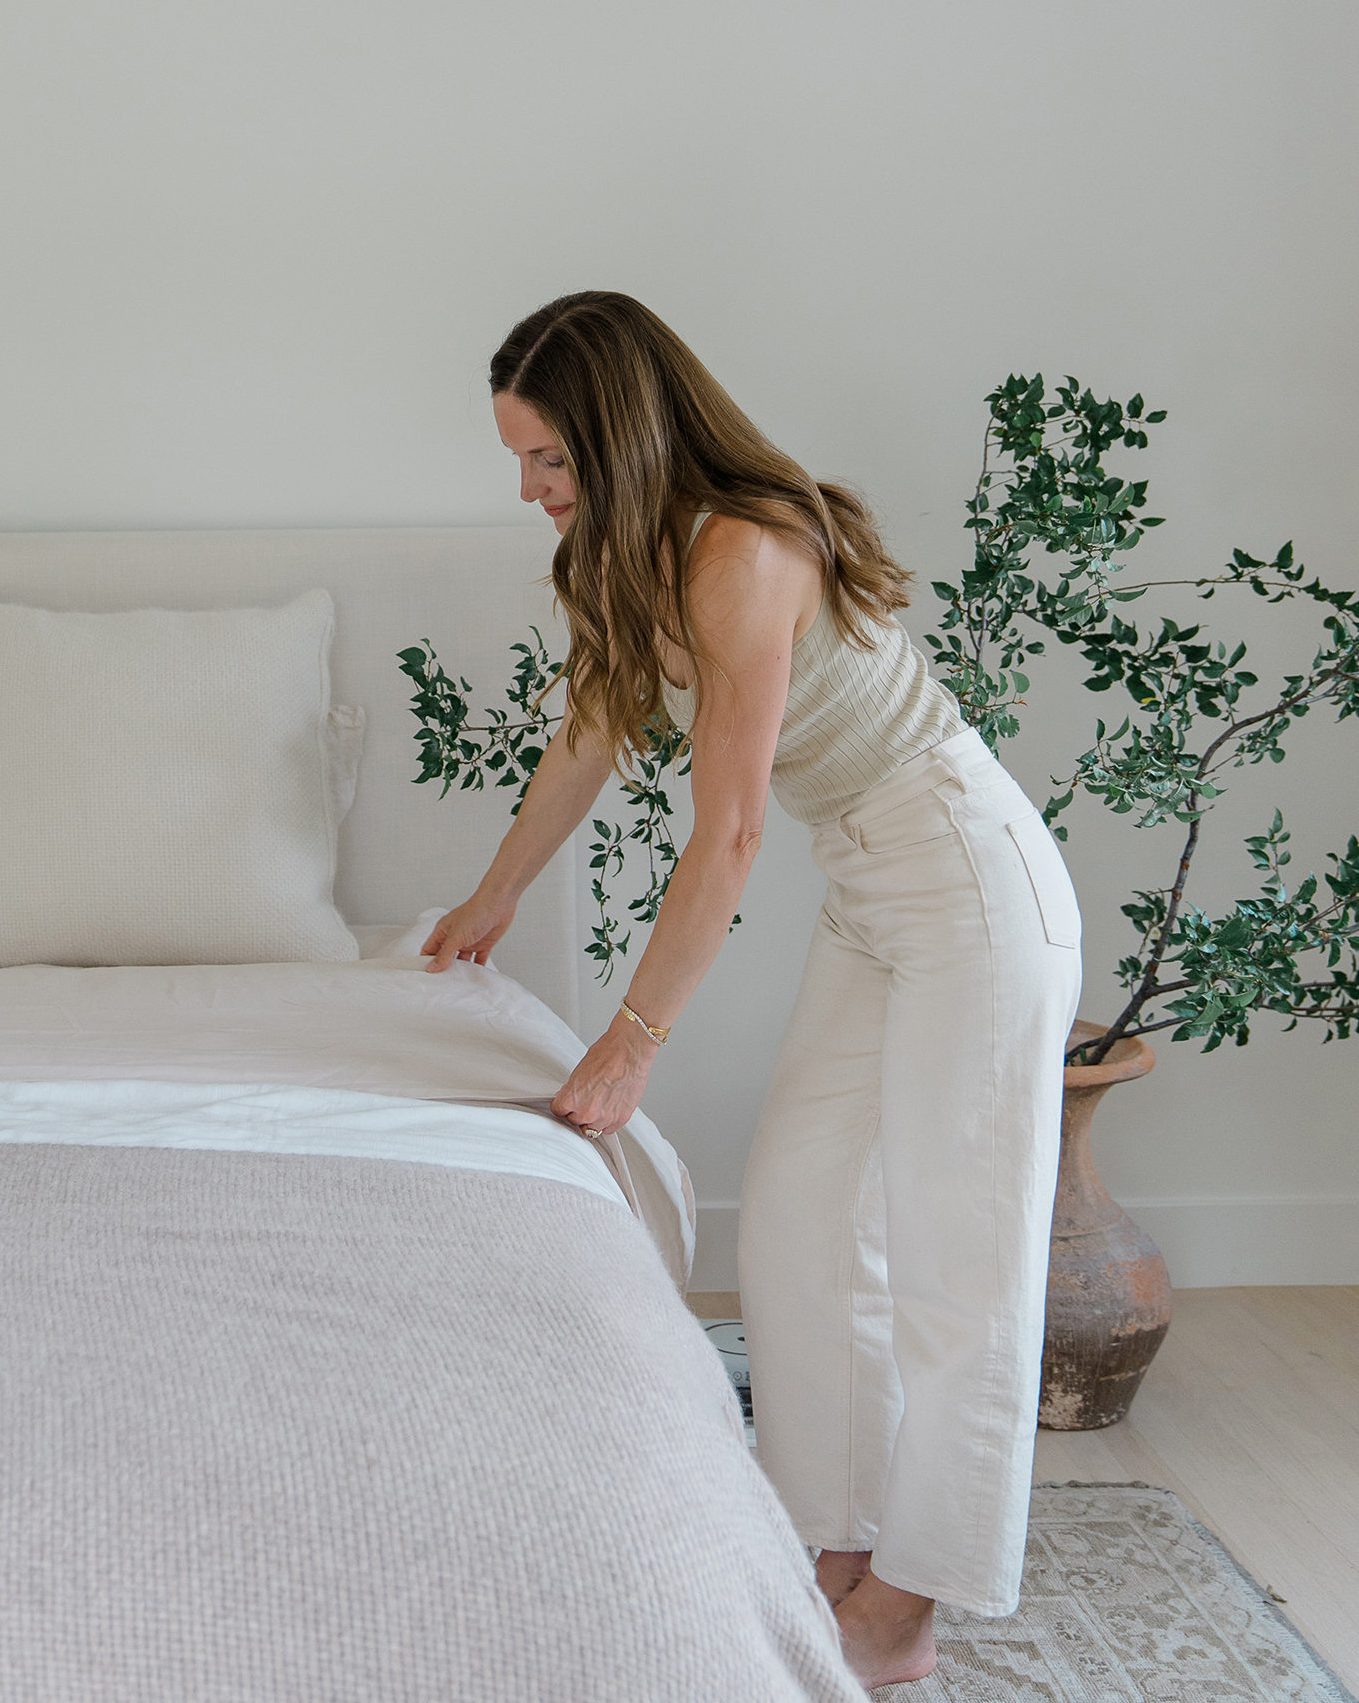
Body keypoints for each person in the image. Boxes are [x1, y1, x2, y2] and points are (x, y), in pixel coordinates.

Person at [424, 292, 1082, 1690]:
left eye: (549, 460)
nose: (530, 491)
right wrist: (493, 895)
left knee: (961, 1258)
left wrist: (632, 1041)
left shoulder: (748, 551)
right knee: (793, 1209)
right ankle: (830, 1545)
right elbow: (585, 742)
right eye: (520, 462)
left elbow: (727, 835)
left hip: (969, 880)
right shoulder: (632, 557)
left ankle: (907, 1604)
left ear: (620, 435)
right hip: (873, 881)